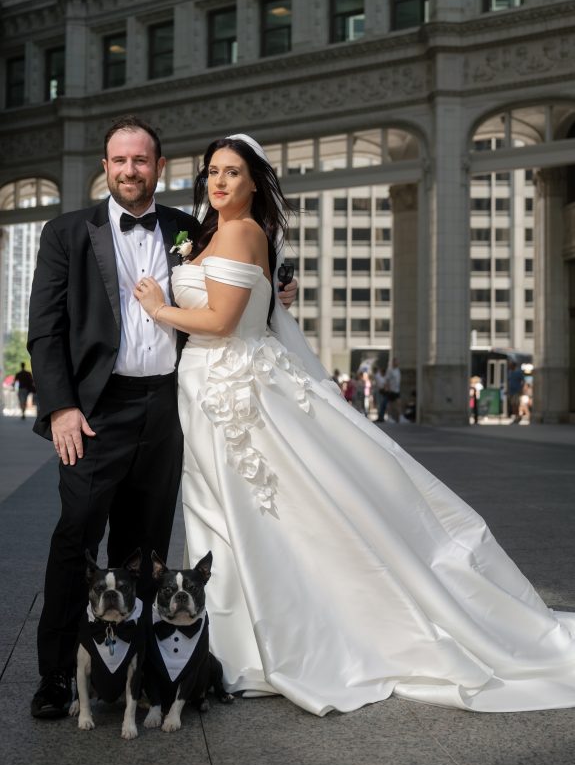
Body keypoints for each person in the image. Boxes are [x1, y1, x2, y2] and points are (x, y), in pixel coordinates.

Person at [134, 134, 575, 717]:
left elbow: (219, 318)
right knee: (222, 507)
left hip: (231, 390)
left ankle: (266, 642)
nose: (219, 182)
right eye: (212, 171)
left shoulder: (241, 232)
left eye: (233, 173)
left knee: (250, 507)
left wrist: (158, 308)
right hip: (208, 388)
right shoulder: (211, 233)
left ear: (254, 182)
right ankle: (230, 641)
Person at [26, 113, 299, 721]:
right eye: (119, 160)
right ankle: (54, 677)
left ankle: (140, 673)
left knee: (144, 548)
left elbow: (247, 267)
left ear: (160, 167)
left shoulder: (186, 227)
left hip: (168, 407)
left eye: (141, 160)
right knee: (76, 539)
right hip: (95, 412)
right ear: (105, 167)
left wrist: (278, 291)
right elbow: (46, 331)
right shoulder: (66, 233)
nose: (130, 170)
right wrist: (62, 407)